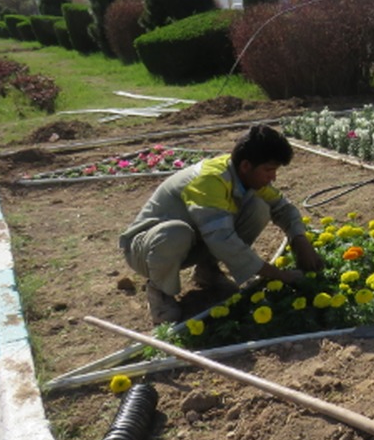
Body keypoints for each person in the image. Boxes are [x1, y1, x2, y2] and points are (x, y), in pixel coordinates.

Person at [119, 124, 324, 324]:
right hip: (144, 251)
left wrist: (299, 240)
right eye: (269, 170)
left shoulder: (244, 176)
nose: (273, 177)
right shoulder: (210, 181)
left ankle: (207, 270)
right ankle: (160, 292)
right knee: (176, 232)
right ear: (246, 166)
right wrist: (278, 275)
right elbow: (223, 240)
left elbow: (283, 207)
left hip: (188, 243)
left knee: (259, 208)